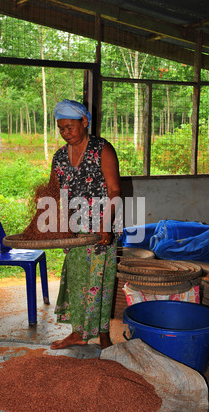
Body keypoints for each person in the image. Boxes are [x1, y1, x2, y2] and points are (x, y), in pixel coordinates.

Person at [50, 99, 121, 350]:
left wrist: (106, 224)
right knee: (78, 279)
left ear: (84, 122)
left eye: (70, 127)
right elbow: (56, 193)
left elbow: (114, 190)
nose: (65, 133)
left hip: (103, 224)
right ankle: (78, 332)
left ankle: (102, 333)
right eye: (61, 128)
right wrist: (59, 223)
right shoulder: (59, 157)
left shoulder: (102, 149)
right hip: (75, 227)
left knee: (101, 279)